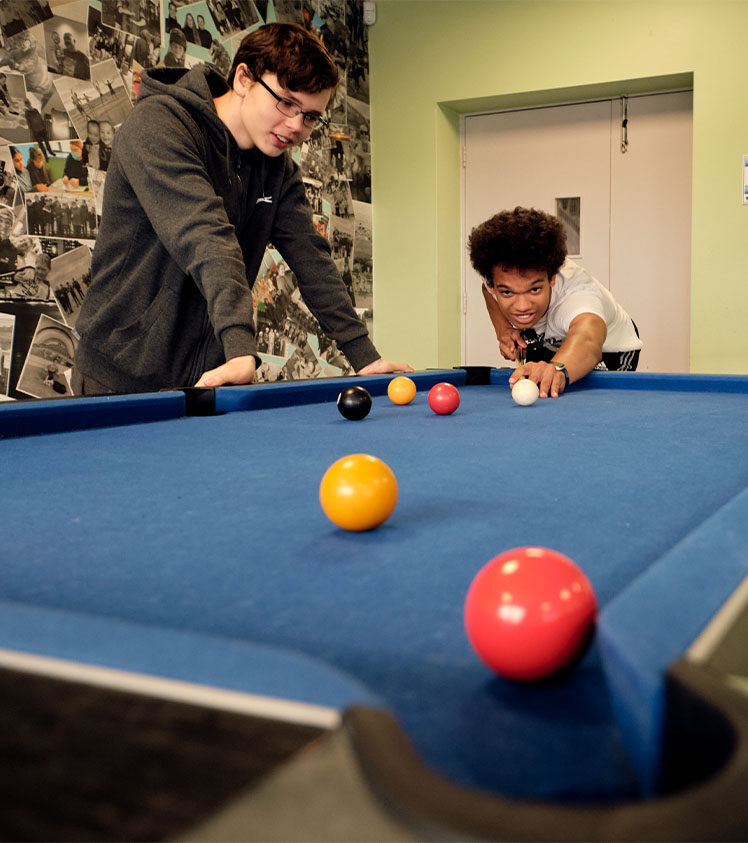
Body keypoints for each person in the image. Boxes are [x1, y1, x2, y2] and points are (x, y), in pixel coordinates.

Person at [72, 22, 411, 395]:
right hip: (119, 376)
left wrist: (364, 356)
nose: (296, 125)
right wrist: (238, 346)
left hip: (202, 383)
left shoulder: (278, 171)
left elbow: (312, 261)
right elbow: (207, 238)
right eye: (286, 102)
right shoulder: (158, 126)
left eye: (311, 116)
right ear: (244, 79)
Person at [468, 206, 641, 399]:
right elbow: (486, 290)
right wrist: (503, 330)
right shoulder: (493, 280)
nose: (522, 306)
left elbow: (588, 338)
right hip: (552, 337)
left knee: (588, 402)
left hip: (609, 348)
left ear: (552, 277)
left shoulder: (578, 295)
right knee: (543, 385)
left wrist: (557, 368)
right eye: (507, 292)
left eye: (534, 289)